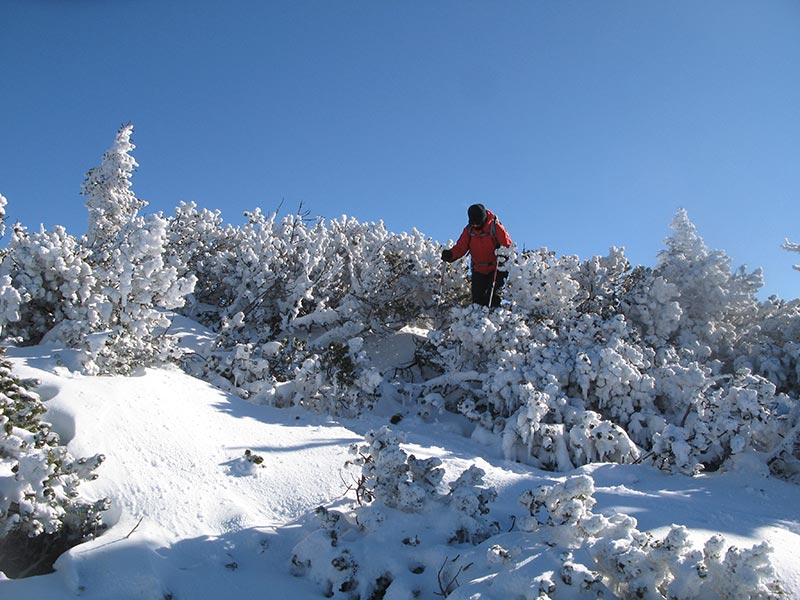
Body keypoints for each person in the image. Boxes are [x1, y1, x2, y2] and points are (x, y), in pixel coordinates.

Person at [441, 203, 512, 307]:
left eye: (478, 223)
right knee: (477, 302)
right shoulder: (469, 230)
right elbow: (461, 247)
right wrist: (450, 254)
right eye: (473, 223)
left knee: (493, 299)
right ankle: (478, 322)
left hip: (497, 268)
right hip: (479, 269)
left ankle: (494, 320)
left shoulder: (495, 226)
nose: (476, 225)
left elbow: (508, 246)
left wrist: (502, 251)